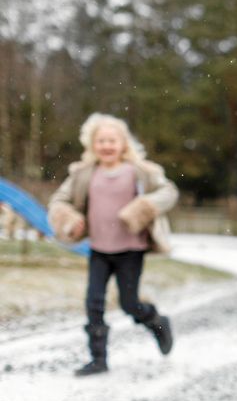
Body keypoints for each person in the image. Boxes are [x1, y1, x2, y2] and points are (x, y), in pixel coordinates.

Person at [49, 113, 178, 376]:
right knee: (93, 302)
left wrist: (144, 207)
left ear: (123, 143)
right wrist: (70, 218)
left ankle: (156, 322)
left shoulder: (140, 171)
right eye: (101, 141)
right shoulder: (83, 173)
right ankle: (98, 359)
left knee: (129, 303)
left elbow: (169, 192)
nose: (106, 146)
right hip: (99, 249)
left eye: (112, 140)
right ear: (92, 144)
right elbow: (58, 201)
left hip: (131, 249)